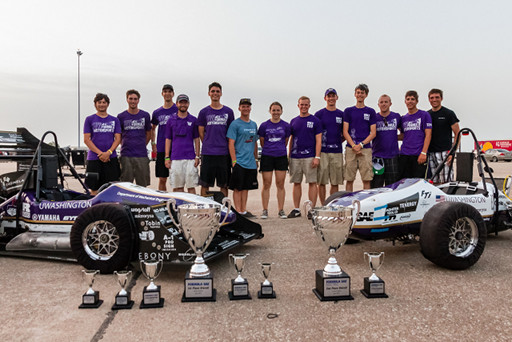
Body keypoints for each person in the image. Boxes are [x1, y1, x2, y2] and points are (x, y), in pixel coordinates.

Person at [197, 82, 235, 197]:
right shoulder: (203, 112)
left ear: (221, 93)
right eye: (213, 91)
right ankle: (204, 207)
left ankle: (223, 208)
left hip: (224, 153)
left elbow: (231, 133)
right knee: (205, 184)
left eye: (217, 91)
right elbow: (201, 132)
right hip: (208, 153)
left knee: (224, 185)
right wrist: (209, 143)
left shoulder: (228, 112)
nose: (215, 93)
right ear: (209, 93)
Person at [287, 96, 322, 218]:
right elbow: (291, 139)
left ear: (309, 106)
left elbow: (319, 140)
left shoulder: (315, 120)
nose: (304, 107)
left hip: (310, 156)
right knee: (296, 183)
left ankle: (311, 210)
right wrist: (289, 155)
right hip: (295, 156)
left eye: (306, 105)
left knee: (312, 182)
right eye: (301, 104)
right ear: (298, 105)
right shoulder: (293, 121)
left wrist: (317, 156)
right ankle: (296, 209)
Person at [83, 93, 121, 195]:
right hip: (94, 159)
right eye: (99, 102)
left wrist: (108, 152)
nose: (102, 104)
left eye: (104, 102)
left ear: (108, 104)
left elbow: (117, 138)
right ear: (95, 104)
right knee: (94, 188)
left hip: (110, 158)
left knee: (112, 188)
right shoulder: (89, 119)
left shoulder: (115, 120)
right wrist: (100, 154)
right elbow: (86, 139)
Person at [258, 101, 291, 219]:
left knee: (280, 183)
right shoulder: (264, 125)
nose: (276, 112)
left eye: (278, 110)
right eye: (274, 110)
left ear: (281, 111)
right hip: (267, 156)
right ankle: (265, 210)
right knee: (266, 183)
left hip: (281, 156)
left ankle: (281, 210)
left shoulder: (286, 126)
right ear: (270, 111)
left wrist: (279, 148)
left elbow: (286, 141)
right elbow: (262, 141)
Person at [227, 98, 259, 217]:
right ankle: (238, 211)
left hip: (250, 162)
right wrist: (234, 161)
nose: (246, 108)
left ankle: (244, 210)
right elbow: (231, 143)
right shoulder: (235, 124)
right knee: (238, 188)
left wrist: (256, 159)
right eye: (243, 106)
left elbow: (255, 142)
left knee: (246, 187)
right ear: (239, 108)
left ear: (250, 108)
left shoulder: (253, 124)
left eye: (248, 106)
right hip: (239, 161)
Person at [343, 84, 377, 192]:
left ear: (366, 95)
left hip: (365, 149)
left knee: (366, 179)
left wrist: (361, 145)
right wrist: (353, 145)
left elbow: (373, 132)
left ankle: (364, 203)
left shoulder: (370, 111)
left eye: (362, 93)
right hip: (350, 148)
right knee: (349, 179)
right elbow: (345, 131)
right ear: (355, 94)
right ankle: (348, 202)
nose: (360, 95)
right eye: (358, 92)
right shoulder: (348, 111)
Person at [164, 94, 200, 193]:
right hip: (175, 158)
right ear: (177, 104)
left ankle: (192, 208)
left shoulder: (193, 120)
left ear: (188, 104)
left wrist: (197, 156)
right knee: (177, 187)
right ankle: (177, 208)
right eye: (181, 102)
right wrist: (167, 157)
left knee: (191, 187)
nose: (183, 105)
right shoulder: (171, 120)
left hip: (190, 158)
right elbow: (168, 139)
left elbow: (196, 139)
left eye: (185, 102)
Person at [315, 88, 344, 205]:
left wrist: (338, 142)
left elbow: (345, 132)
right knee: (321, 181)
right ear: (325, 98)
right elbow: (315, 134)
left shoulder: (341, 114)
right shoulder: (319, 114)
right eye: (329, 96)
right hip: (323, 152)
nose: (331, 98)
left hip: (337, 151)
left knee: (335, 181)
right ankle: (323, 205)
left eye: (333, 96)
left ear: (337, 97)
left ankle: (332, 205)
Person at [117, 89, 152, 187]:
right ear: (127, 100)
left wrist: (141, 144)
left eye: (135, 99)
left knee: (143, 184)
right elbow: (118, 135)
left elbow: (149, 133)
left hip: (141, 154)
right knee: (126, 185)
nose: (133, 101)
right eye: (131, 99)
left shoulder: (145, 115)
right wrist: (125, 144)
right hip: (126, 155)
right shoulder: (121, 116)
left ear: (138, 100)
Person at [428, 88, 460, 184]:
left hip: (445, 152)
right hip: (431, 153)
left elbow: (458, 133)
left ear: (441, 98)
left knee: (446, 182)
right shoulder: (427, 114)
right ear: (429, 99)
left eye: (437, 97)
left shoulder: (449, 113)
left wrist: (452, 152)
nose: (434, 100)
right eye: (432, 98)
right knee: (433, 182)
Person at [399, 90, 432, 179]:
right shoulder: (403, 118)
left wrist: (424, 153)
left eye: (412, 99)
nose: (410, 101)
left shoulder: (424, 115)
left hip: (419, 154)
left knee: (419, 182)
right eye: (408, 99)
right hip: (405, 154)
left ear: (417, 101)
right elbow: (403, 136)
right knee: (405, 182)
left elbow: (428, 135)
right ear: (405, 101)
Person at [151, 84, 178, 191]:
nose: (167, 93)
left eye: (169, 91)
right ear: (162, 94)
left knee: (177, 180)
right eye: (165, 91)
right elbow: (152, 128)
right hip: (162, 148)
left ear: (173, 94)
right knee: (162, 179)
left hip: (176, 148)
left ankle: (176, 203)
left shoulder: (178, 109)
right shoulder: (157, 112)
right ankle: (163, 204)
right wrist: (153, 144)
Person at [371, 95, 402, 188]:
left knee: (392, 186)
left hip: (393, 156)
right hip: (377, 157)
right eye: (381, 102)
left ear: (390, 103)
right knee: (376, 186)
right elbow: (368, 134)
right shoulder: (374, 118)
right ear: (378, 104)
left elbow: (404, 134)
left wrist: (392, 137)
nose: (383, 104)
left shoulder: (396, 116)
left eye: (386, 102)